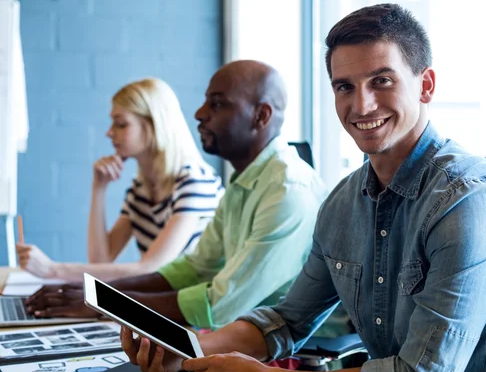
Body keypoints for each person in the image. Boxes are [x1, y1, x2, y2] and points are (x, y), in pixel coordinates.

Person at [121, 3, 486, 372]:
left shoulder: (466, 200)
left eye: (382, 80)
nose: (361, 104)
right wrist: (190, 350)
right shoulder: (343, 203)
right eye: (344, 87)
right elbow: (287, 321)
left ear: (425, 85)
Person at [26, 61, 333, 338]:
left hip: (286, 351)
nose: (199, 114)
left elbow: (219, 304)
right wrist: (96, 293)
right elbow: (193, 269)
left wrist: (103, 301)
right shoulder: (245, 179)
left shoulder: (287, 192)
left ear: (261, 116)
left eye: (217, 104)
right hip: (235, 334)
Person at [16, 78, 223, 282]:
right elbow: (100, 261)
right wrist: (99, 188)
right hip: (166, 301)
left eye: (121, 124)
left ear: (154, 125)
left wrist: (54, 270)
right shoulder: (140, 190)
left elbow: (153, 269)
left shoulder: (195, 182)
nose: (109, 132)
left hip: (196, 309)